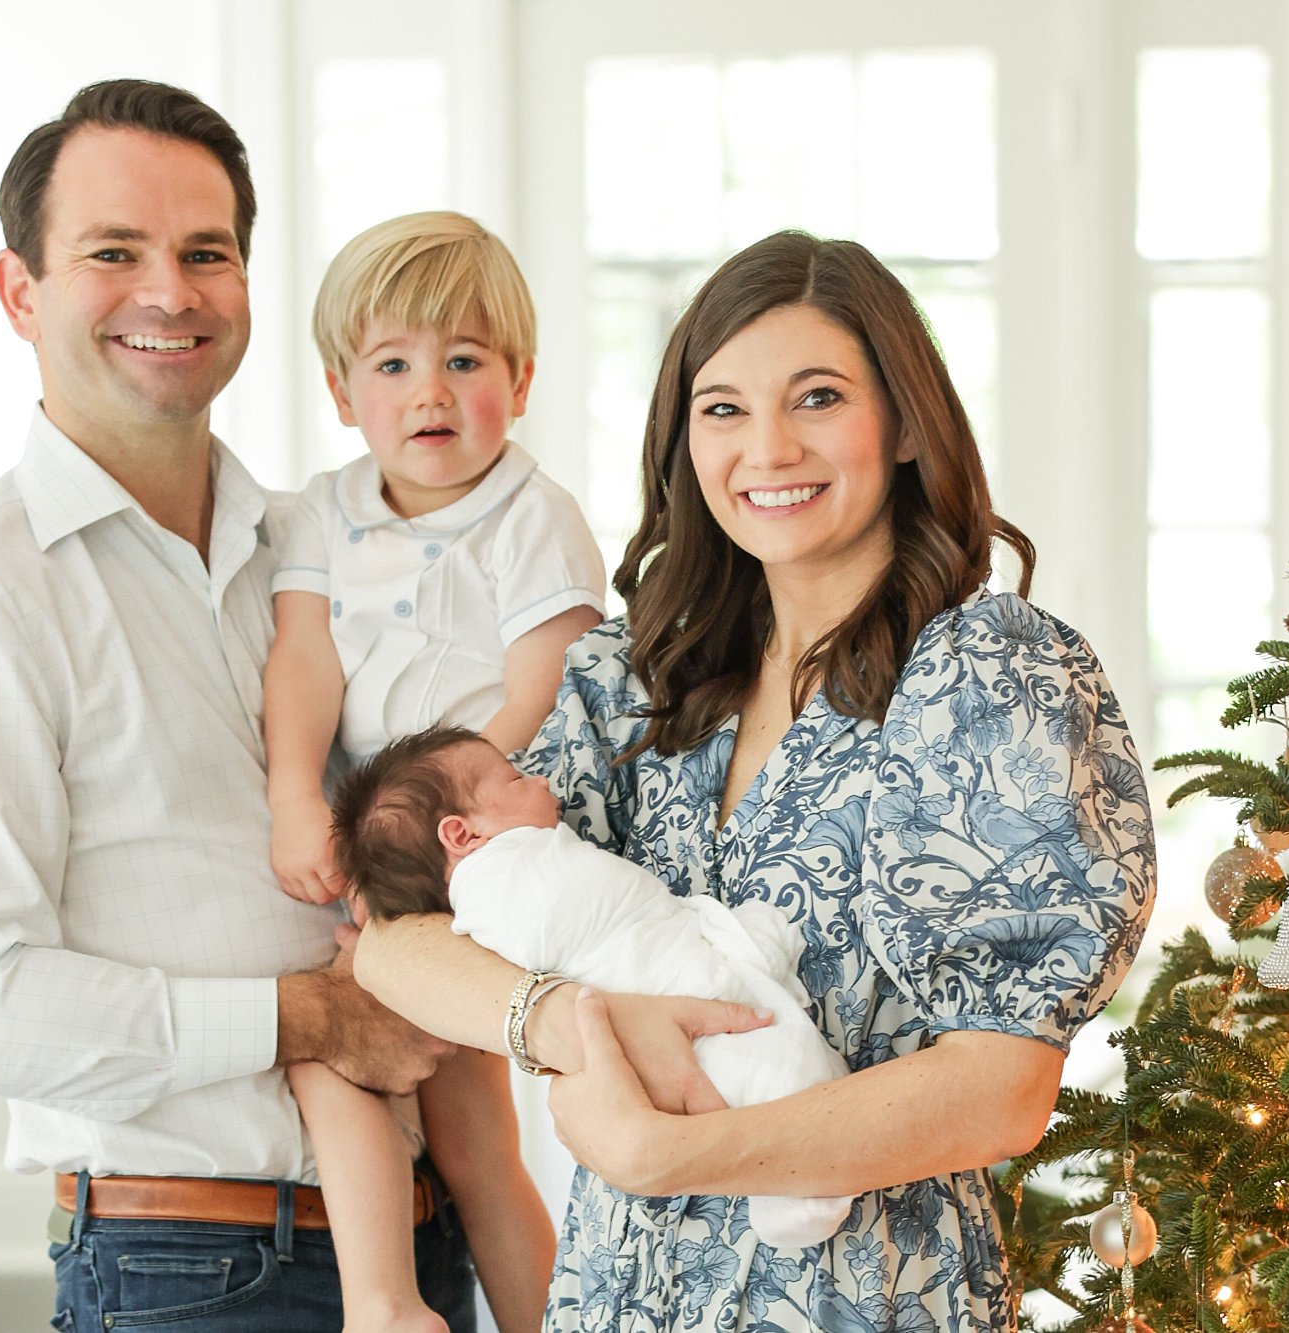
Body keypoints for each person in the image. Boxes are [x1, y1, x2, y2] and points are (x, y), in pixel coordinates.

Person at [0, 79, 764, 1332]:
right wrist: (311, 1015)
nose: (168, 291)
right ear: (21, 291)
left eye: (206, 253)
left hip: (426, 1226)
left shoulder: (321, 538)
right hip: (190, 1264)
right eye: (112, 252)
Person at [355, 230, 1158, 1331]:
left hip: (867, 1301)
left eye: (817, 397)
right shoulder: (638, 672)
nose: (767, 447)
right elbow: (400, 938)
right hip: (618, 1302)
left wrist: (671, 1149)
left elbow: (999, 1089)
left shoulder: (990, 674)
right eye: (722, 409)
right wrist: (567, 1021)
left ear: (905, 419)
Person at [265, 211, 601, 1332]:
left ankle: (404, 1306)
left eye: (464, 362)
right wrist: (295, 797)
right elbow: (303, 657)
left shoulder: (530, 516)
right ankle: (390, 1300)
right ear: (339, 389)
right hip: (377, 846)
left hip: (478, 841)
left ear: (520, 377)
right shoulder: (323, 510)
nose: (430, 393)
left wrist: (421, 838)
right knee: (358, 1065)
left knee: (464, 1131)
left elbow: (537, 692)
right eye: (393, 365)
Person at [330, 724, 853, 1249]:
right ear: (462, 835)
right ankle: (801, 1193)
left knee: (778, 1061)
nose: (540, 779)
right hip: (667, 994)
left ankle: (803, 1178)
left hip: (671, 974)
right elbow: (562, 924)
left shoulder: (499, 877)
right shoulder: (503, 883)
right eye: (516, 778)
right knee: (770, 1064)